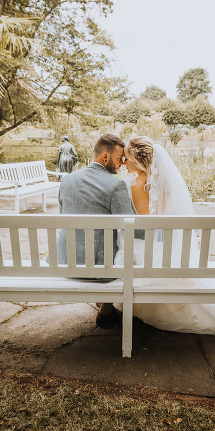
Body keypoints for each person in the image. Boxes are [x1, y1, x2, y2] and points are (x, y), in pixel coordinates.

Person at [119, 136, 215, 334]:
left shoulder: (132, 184)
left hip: (150, 254)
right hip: (176, 251)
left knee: (127, 248)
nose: (123, 163)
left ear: (137, 160)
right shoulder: (168, 182)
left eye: (126, 158)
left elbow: (146, 223)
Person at [56, 133, 138, 328]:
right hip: (98, 271)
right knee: (126, 250)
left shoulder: (67, 180)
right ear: (105, 157)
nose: (122, 163)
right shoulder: (115, 185)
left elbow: (63, 216)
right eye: (120, 159)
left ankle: (104, 305)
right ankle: (107, 310)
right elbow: (135, 229)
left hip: (64, 262)